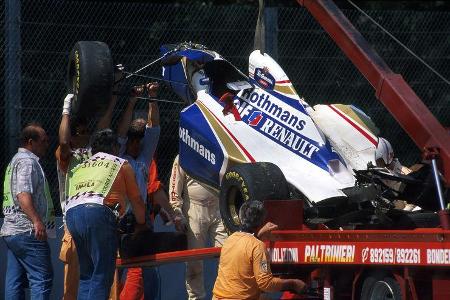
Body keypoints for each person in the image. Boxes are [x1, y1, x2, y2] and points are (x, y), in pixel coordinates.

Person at [56, 80, 122, 299]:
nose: (86, 135)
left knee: (104, 277)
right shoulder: (68, 156)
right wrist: (66, 110)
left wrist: (112, 91)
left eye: (87, 132)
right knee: (75, 280)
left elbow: (104, 128)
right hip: (73, 222)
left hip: (98, 215)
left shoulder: (95, 154)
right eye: (81, 133)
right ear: (74, 135)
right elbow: (64, 142)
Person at [65, 128, 146, 300]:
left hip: (72, 215)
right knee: (102, 273)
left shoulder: (80, 166)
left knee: (87, 274)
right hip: (99, 213)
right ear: (115, 148)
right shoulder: (119, 163)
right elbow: (137, 199)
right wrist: (142, 222)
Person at [117, 83, 162, 300]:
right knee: (118, 265)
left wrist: (152, 97)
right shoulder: (119, 157)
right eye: (132, 140)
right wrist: (133, 100)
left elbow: (154, 130)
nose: (136, 144)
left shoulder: (144, 157)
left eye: (139, 140)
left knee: (148, 266)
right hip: (121, 217)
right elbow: (121, 133)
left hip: (142, 218)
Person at [1, 123, 54, 300]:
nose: (48, 144)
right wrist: (36, 221)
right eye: (44, 141)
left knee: (14, 281)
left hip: (12, 230)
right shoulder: (27, 162)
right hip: (27, 230)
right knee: (42, 279)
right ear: (31, 142)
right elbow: (23, 194)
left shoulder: (14, 161)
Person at [213, 201, 306, 299]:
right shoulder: (258, 247)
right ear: (262, 222)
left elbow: (246, 246)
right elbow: (266, 284)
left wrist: (258, 235)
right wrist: (293, 284)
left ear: (240, 218)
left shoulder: (230, 240)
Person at [169, 154, 228, 300]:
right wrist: (177, 212)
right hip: (194, 211)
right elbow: (174, 189)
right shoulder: (183, 154)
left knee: (227, 258)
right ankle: (196, 298)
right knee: (194, 263)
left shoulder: (222, 152)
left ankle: (225, 296)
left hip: (219, 209)